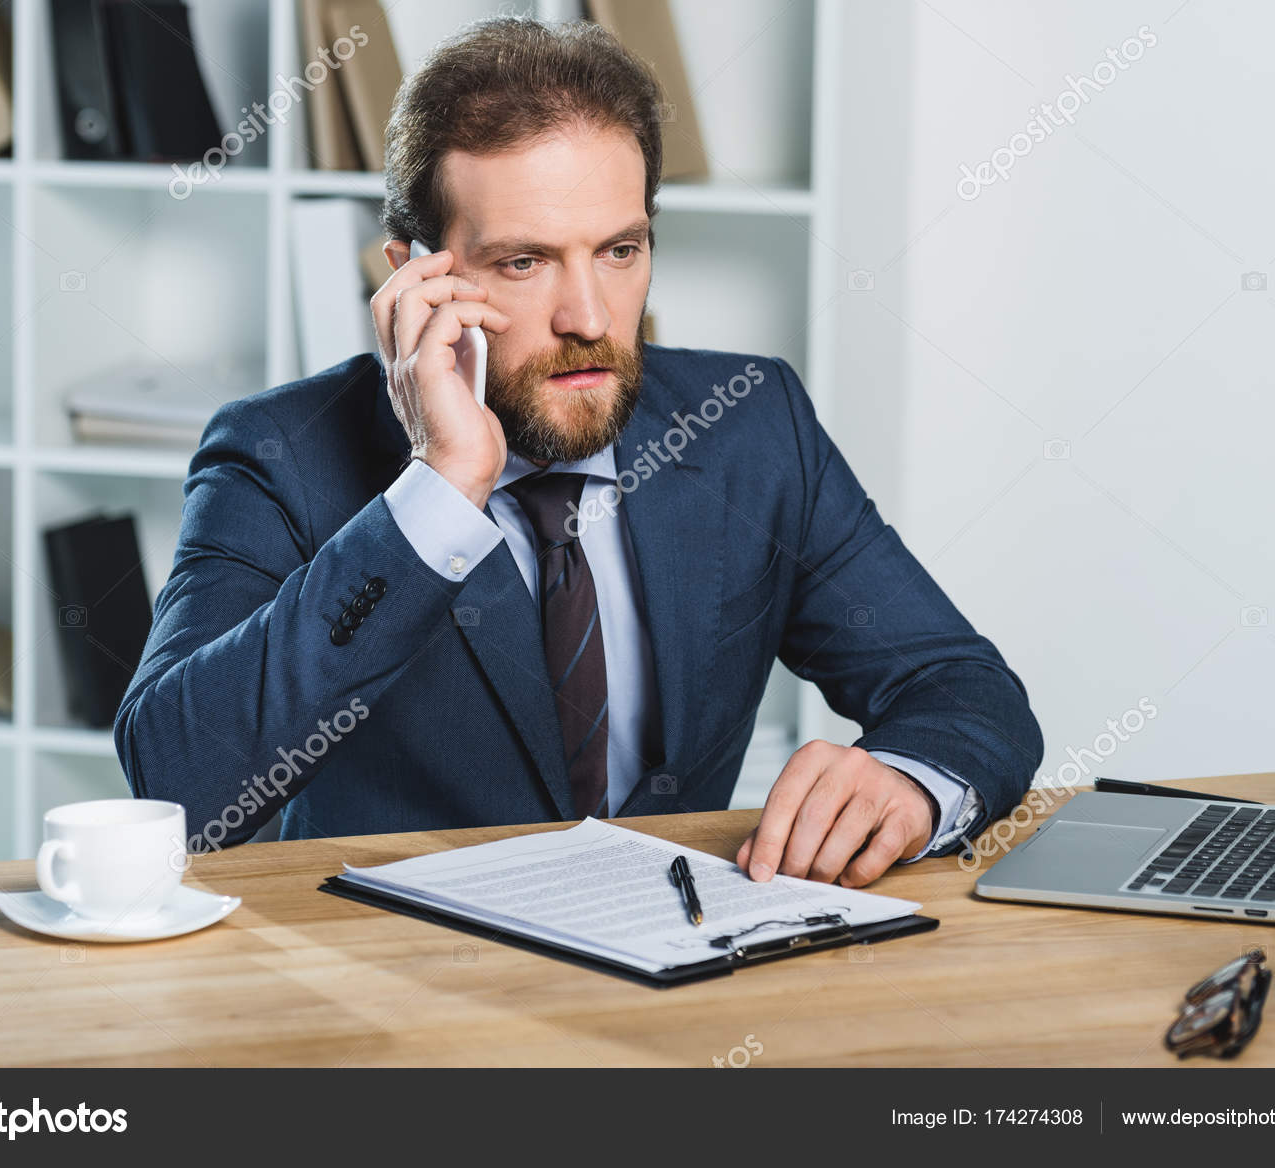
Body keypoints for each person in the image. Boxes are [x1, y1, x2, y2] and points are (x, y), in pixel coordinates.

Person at [115, 17, 1043, 888]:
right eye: (525, 262)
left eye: (620, 250)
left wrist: (911, 782)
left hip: (673, 989)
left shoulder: (753, 427)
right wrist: (441, 486)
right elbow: (180, 784)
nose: (590, 318)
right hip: (396, 1009)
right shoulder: (280, 456)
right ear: (412, 275)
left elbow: (962, 687)